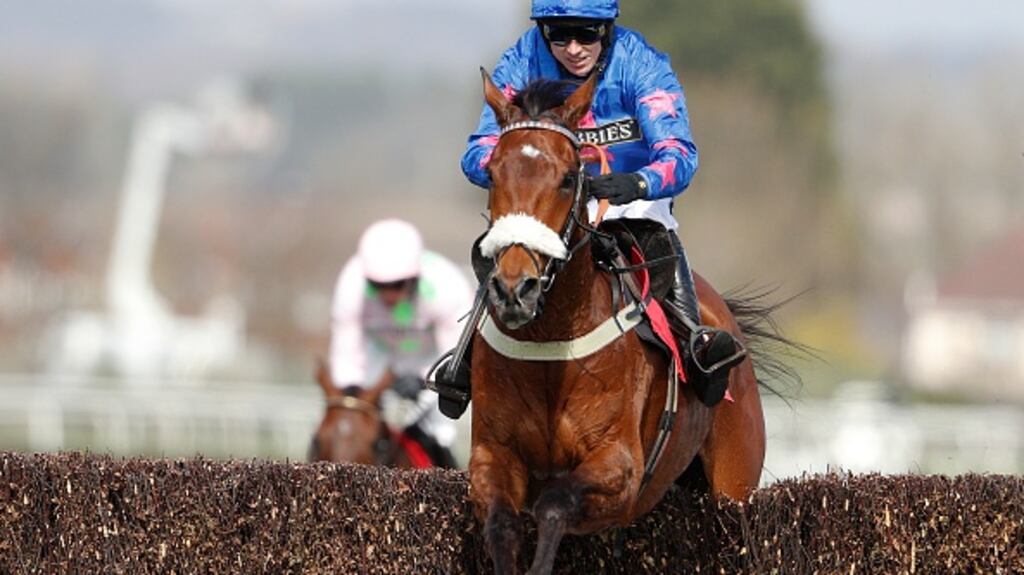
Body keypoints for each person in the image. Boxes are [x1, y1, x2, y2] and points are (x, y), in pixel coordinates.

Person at [456, 0, 745, 409]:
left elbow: (680, 154)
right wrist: (522, 172)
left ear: (607, 29)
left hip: (631, 206)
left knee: (660, 244)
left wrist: (638, 181)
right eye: (559, 34)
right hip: (548, 209)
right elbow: (478, 152)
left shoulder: (641, 64)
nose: (573, 47)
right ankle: (464, 359)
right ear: (543, 32)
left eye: (586, 33)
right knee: (503, 255)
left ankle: (694, 339)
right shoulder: (520, 60)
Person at [329, 218, 473, 468]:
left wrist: (422, 380)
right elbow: (346, 352)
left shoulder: (447, 286)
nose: (387, 295)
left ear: (414, 277)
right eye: (377, 286)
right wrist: (354, 390)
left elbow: (455, 354)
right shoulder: (351, 285)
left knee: (441, 431)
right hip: (379, 358)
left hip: (432, 360)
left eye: (396, 285)